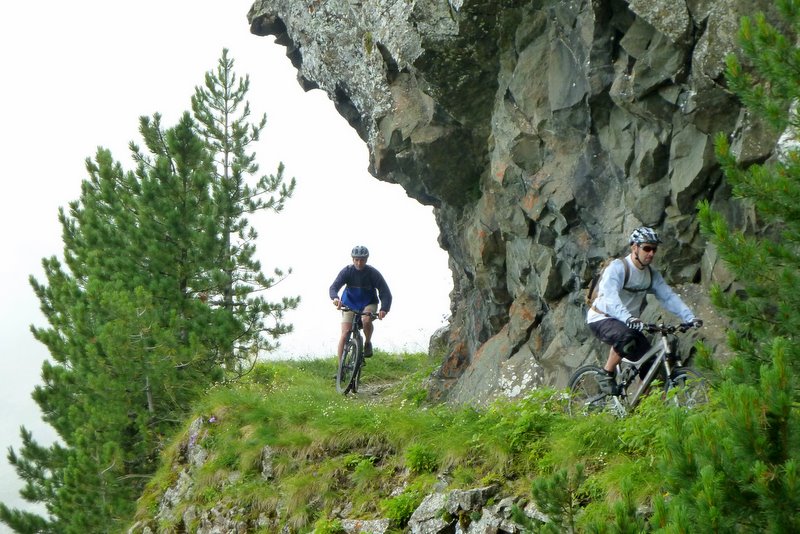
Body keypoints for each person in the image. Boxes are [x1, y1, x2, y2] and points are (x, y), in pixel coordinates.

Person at [586, 227, 703, 394]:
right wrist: (628, 318)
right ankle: (607, 373)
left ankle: (639, 410)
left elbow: (669, 297)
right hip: (601, 317)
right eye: (647, 248)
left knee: (651, 367)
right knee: (627, 336)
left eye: (654, 249)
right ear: (634, 247)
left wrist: (689, 317)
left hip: (628, 323)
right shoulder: (618, 268)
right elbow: (610, 298)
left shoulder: (651, 275)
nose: (651, 253)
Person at [329, 245, 392, 363]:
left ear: (366, 260)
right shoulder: (347, 271)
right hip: (350, 304)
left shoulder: (373, 273)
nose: (359, 263)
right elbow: (334, 287)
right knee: (345, 332)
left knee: (366, 320)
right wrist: (335, 298)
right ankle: (340, 367)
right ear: (352, 259)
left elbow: (385, 292)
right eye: (356, 260)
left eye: (362, 260)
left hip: (368, 303)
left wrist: (384, 309)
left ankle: (367, 343)